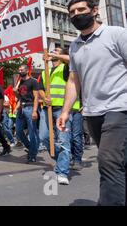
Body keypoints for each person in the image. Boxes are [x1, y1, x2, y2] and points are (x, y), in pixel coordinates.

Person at [57, 0, 127, 206]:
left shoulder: (116, 34)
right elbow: (73, 81)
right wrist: (65, 111)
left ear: (95, 10)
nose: (76, 15)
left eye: (81, 10)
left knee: (108, 162)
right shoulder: (75, 46)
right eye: (72, 13)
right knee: (119, 161)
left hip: (119, 108)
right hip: (92, 112)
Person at [38, 47, 80, 185]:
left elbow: (72, 59)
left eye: (56, 51)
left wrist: (51, 54)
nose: (52, 52)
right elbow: (40, 89)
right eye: (52, 51)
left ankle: (62, 171)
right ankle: (64, 158)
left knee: (63, 141)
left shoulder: (66, 68)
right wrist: (45, 99)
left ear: (62, 55)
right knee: (43, 137)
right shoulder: (45, 71)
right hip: (47, 109)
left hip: (62, 110)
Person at [14, 64, 40, 163]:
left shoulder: (33, 81)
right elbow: (20, 97)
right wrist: (15, 91)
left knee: (32, 132)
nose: (20, 71)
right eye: (19, 70)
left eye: (22, 70)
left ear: (27, 70)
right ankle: (30, 147)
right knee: (19, 130)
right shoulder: (20, 82)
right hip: (21, 108)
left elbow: (36, 97)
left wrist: (34, 111)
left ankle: (32, 155)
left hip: (30, 107)